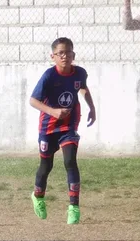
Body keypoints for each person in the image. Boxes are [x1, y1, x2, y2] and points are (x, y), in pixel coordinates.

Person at [29, 37, 96, 225]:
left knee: (70, 161)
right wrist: (53, 112)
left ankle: (73, 207)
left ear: (73, 54)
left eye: (68, 52)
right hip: (48, 127)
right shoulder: (49, 76)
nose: (65, 56)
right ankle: (38, 196)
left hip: (69, 124)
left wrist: (92, 107)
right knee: (45, 167)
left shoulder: (80, 73)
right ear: (53, 56)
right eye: (60, 53)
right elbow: (33, 101)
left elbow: (83, 88)